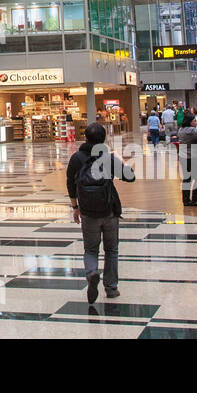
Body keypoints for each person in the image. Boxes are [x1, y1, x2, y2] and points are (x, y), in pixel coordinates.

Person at [67, 123, 135, 303]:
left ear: (86, 138)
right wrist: (122, 160)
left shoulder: (76, 158)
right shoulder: (108, 158)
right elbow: (130, 176)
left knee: (90, 249)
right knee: (111, 249)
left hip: (88, 212)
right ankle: (111, 288)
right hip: (109, 210)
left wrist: (75, 207)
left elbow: (70, 184)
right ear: (103, 139)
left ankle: (91, 273)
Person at [177, 114, 197, 206]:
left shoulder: (181, 130)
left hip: (183, 157)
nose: (196, 122)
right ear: (190, 122)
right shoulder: (191, 130)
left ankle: (186, 200)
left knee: (187, 179)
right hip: (192, 156)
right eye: (194, 121)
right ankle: (195, 199)